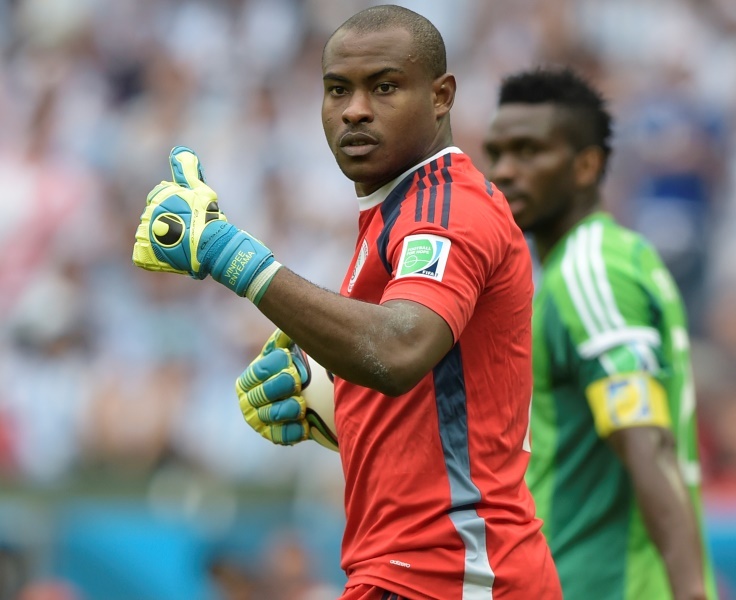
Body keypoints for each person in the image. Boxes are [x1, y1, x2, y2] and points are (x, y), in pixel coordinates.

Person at [132, 5, 561, 600]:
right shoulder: (398, 209)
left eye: (384, 87)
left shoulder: (444, 210)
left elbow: (400, 347)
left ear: (441, 96)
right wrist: (336, 407)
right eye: (338, 90)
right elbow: (447, 397)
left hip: (453, 574)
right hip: (426, 570)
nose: (355, 109)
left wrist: (232, 257)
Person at [483, 67, 718, 600]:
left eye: (529, 151)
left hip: (606, 585)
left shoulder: (590, 273)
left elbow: (645, 440)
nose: (505, 171)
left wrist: (691, 593)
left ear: (586, 165)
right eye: (496, 154)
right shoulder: (595, 264)